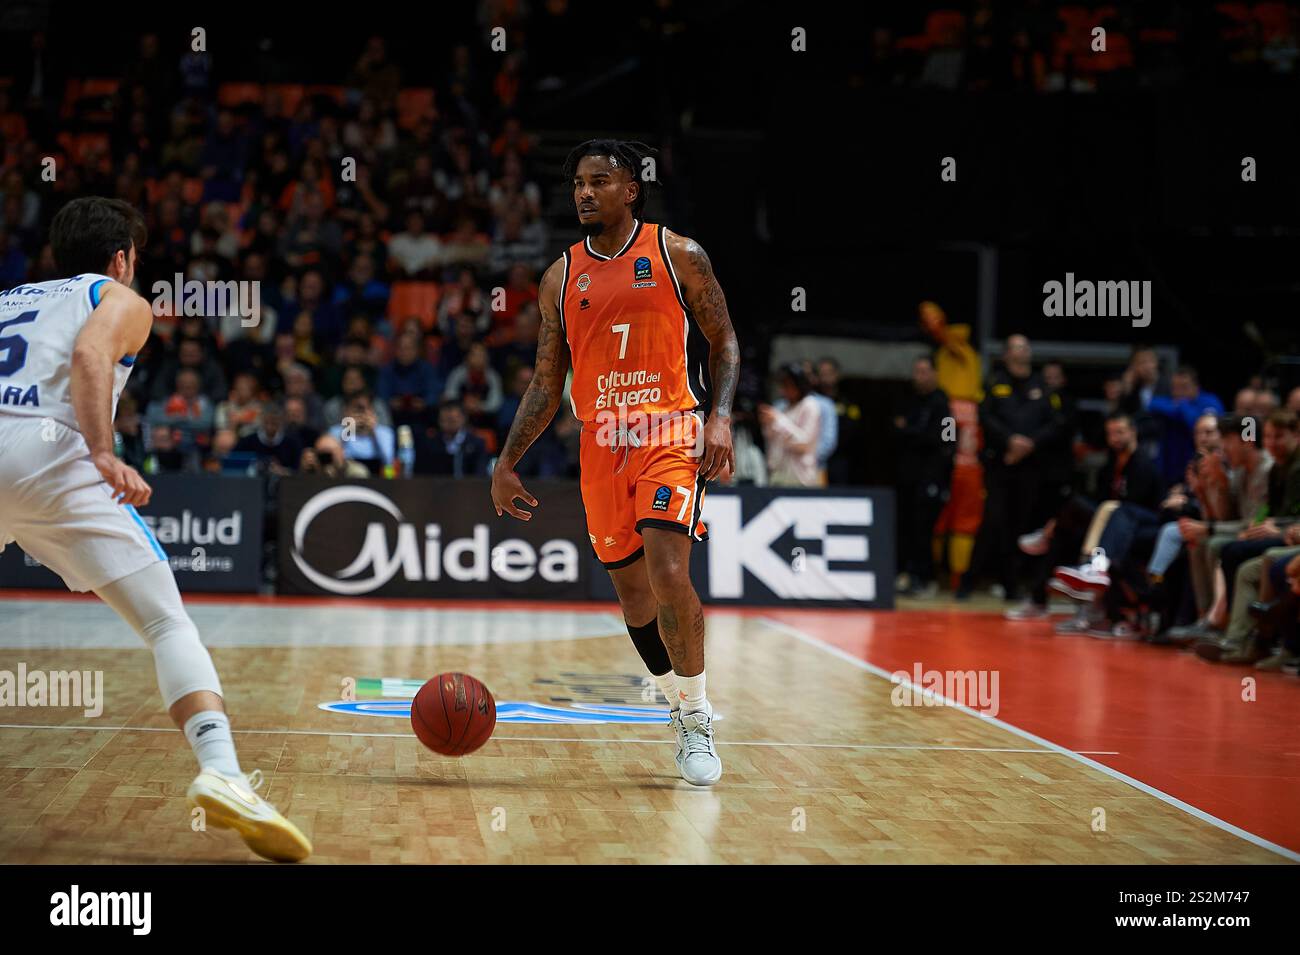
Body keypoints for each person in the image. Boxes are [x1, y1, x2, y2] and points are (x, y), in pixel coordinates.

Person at [0, 197, 309, 861]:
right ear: (122, 258)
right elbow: (89, 355)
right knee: (167, 624)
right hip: (52, 450)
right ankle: (222, 769)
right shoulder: (120, 298)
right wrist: (105, 452)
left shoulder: (9, 298)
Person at [490, 139, 739, 786]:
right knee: (632, 595)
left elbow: (724, 340)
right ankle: (675, 698)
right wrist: (507, 459)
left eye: (599, 181)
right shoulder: (559, 276)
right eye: (578, 182)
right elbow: (547, 383)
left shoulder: (677, 252)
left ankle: (696, 717)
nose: (584, 192)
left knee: (666, 566)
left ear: (631, 189)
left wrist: (722, 415)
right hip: (601, 439)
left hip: (670, 429)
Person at [893, 355, 953, 595]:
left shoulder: (942, 403)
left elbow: (946, 440)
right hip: (907, 475)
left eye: (925, 371)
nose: (920, 376)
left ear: (935, 374)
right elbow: (895, 432)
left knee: (924, 529)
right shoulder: (907, 400)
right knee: (904, 527)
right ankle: (905, 574)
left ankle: (925, 577)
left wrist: (911, 430)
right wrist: (916, 432)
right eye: (917, 371)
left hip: (931, 477)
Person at [758, 364, 823, 487]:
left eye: (788, 385)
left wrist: (778, 419)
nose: (784, 390)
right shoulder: (782, 406)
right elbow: (772, 440)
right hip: (778, 474)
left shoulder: (810, 405)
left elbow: (804, 442)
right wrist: (767, 423)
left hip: (800, 478)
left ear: (799, 384)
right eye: (782, 385)